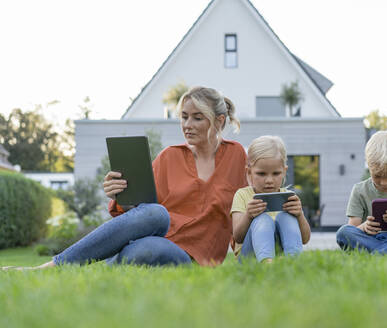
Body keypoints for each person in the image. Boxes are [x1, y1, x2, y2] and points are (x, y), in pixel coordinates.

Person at [4, 86, 248, 270]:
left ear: (219, 121)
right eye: (184, 117)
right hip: (158, 235)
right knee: (156, 214)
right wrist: (119, 192)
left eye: (197, 117)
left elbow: (249, 204)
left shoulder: (237, 156)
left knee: (146, 249)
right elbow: (137, 212)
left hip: (191, 256)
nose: (187, 125)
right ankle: (54, 267)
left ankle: (102, 264)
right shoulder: (169, 157)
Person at [230, 135, 311, 263]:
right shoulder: (242, 195)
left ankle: (294, 261)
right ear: (249, 172)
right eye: (261, 174)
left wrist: (299, 215)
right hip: (248, 259)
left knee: (287, 217)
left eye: (276, 173)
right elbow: (238, 237)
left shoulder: (288, 197)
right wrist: (248, 216)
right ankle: (267, 264)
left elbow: (305, 239)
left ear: (284, 171)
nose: (269, 180)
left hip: (279, 256)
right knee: (262, 218)